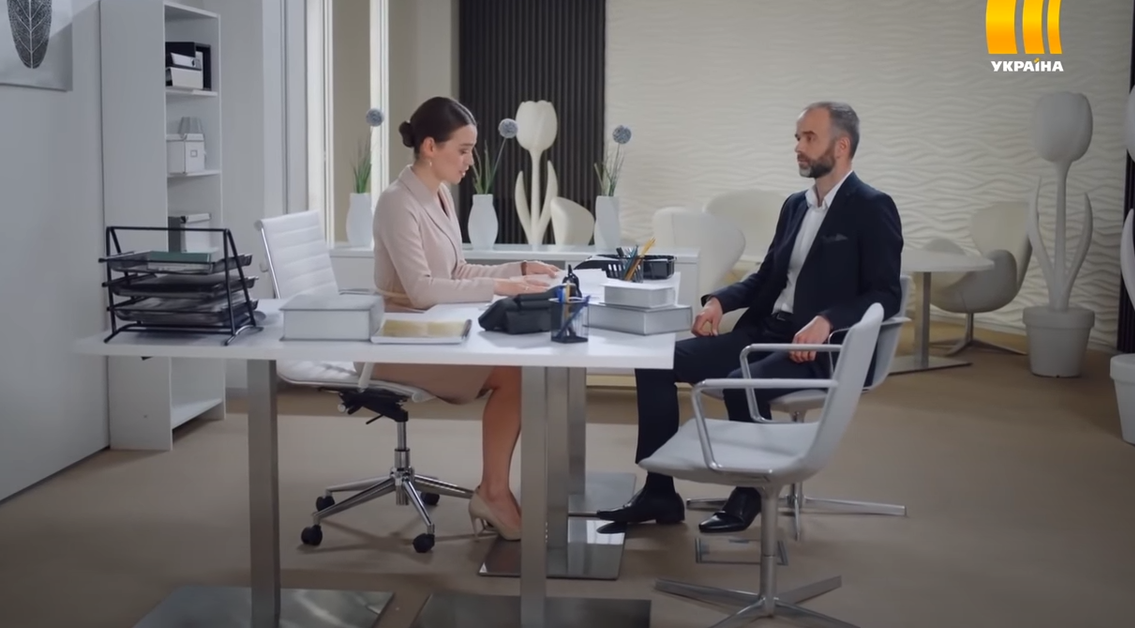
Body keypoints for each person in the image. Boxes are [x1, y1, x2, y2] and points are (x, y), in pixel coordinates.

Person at [596, 101, 903, 535]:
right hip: (767, 331)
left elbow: (886, 293)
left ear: (842, 145)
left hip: (821, 349)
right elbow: (766, 276)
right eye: (797, 137)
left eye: (809, 138)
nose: (798, 146)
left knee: (742, 384)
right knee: (655, 362)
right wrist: (720, 302)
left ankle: (750, 491)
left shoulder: (872, 207)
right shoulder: (796, 206)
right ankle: (659, 492)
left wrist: (828, 320)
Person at [367, 95, 561, 542]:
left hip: (432, 328)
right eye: (463, 150)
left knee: (522, 368)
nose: (470, 161)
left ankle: (494, 491)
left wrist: (518, 270)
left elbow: (455, 272)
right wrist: (504, 287)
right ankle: (493, 493)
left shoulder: (438, 195)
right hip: (398, 337)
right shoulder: (397, 203)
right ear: (429, 147)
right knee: (516, 374)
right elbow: (422, 290)